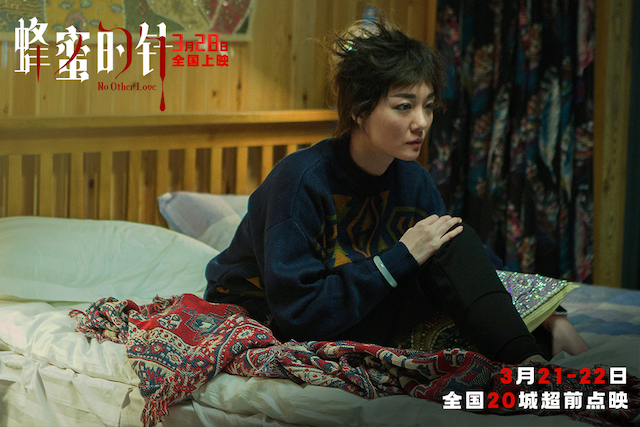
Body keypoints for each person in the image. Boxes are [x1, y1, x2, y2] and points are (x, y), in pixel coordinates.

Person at [204, 20, 589, 364]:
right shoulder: (300, 181)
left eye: (428, 106)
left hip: (358, 305)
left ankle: (529, 364)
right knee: (457, 309)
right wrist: (401, 257)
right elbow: (297, 314)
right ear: (359, 110)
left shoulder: (412, 180)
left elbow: (467, 263)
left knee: (459, 255)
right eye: (404, 106)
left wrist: (551, 315)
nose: (421, 122)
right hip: (274, 315)